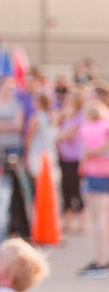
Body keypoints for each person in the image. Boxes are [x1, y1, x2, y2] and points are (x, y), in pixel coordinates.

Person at [76, 85, 109, 279]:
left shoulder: (90, 127)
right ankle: (101, 258)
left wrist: (91, 152)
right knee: (102, 219)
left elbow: (86, 152)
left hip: (97, 174)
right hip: (97, 173)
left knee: (98, 219)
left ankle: (100, 260)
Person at [55, 86, 85, 234]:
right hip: (64, 156)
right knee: (65, 188)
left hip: (75, 157)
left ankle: (82, 222)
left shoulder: (80, 115)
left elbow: (69, 134)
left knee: (75, 188)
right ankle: (67, 222)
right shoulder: (66, 114)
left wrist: (59, 136)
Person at [24, 91, 58, 190]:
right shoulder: (52, 116)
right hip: (49, 151)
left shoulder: (36, 118)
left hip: (36, 152)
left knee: (37, 178)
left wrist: (26, 151)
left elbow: (29, 136)